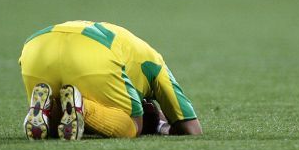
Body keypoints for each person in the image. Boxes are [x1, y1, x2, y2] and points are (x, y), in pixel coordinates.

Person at [19, 20, 203, 140]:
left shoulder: (136, 46)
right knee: (134, 125)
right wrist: (164, 126)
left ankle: (47, 108)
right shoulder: (156, 62)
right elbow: (192, 129)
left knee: (61, 117)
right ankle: (83, 106)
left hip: (36, 47)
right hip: (96, 51)